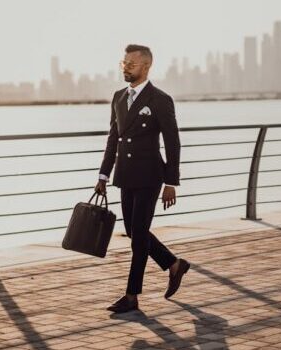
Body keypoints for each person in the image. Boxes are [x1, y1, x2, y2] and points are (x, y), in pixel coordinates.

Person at [95, 44, 190, 313]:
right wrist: (103, 174)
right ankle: (174, 264)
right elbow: (113, 138)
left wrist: (171, 182)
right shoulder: (117, 97)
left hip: (150, 176)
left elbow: (173, 142)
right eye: (123, 63)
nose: (126, 67)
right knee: (135, 231)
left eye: (131, 64)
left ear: (146, 66)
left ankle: (131, 296)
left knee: (138, 237)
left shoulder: (160, 99)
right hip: (125, 175)